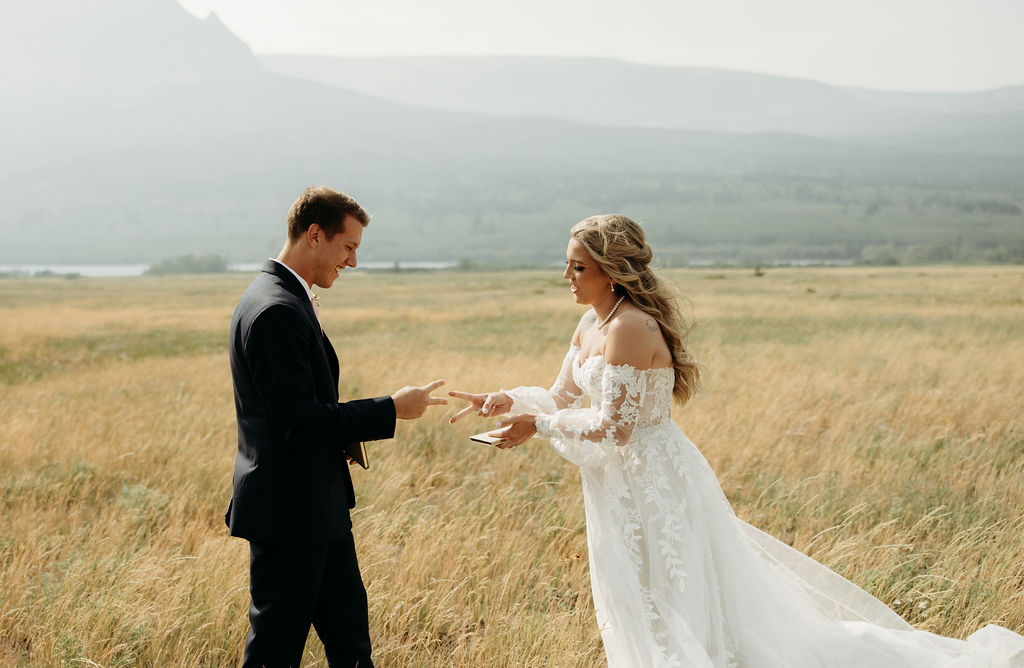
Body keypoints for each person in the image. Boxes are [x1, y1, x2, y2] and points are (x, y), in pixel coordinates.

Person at [448, 214, 1024, 667]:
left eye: (577, 268)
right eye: (567, 265)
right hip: (614, 482)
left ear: (610, 269)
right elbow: (563, 395)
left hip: (653, 476)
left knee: (673, 592)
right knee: (631, 589)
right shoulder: (590, 323)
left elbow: (616, 427)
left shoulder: (628, 327)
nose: (567, 277)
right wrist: (510, 402)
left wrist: (539, 427)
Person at [226, 185, 447, 668]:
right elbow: (301, 424)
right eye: (348, 247)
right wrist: (391, 408)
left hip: (315, 508)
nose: (351, 262)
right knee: (274, 652)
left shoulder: (283, 297)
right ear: (314, 235)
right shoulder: (275, 310)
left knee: (350, 640)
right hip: (289, 514)